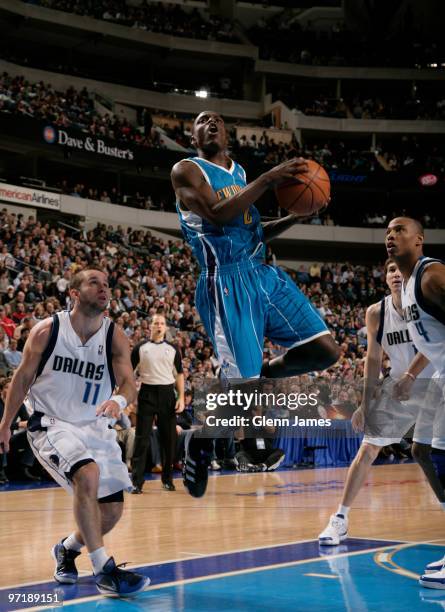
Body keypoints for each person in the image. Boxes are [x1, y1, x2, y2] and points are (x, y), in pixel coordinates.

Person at [171, 111, 339, 497]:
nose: (210, 123)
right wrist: (268, 179)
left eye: (217, 119)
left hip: (262, 273)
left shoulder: (240, 172)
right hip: (226, 283)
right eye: (201, 120)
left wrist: (298, 215)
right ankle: (200, 441)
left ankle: (262, 371)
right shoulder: (187, 170)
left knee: (325, 350)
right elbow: (216, 213)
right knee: (243, 397)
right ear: (194, 134)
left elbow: (255, 228)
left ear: (228, 132)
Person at [0, 267, 150, 597]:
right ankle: (105, 571)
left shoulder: (114, 336)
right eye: (94, 282)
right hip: (52, 423)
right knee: (88, 473)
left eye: (107, 284)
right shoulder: (46, 331)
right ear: (74, 294)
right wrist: (5, 424)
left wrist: (119, 399)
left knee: (110, 512)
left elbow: (128, 382)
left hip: (95, 426)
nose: (104, 288)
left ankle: (67, 550)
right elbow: (22, 379)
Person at [318, 258, 438, 545]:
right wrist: (365, 404)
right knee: (368, 448)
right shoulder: (377, 312)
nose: (396, 274)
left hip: (435, 383)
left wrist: (411, 375)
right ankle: (340, 519)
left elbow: (434, 346)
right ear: (384, 277)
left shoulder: (424, 305)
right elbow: (372, 359)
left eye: (400, 269)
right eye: (391, 270)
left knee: (431, 455)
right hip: (398, 388)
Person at [385, 217, 445, 589]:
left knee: (439, 456)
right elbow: (429, 339)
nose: (391, 236)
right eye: (388, 232)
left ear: (419, 240)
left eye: (400, 230)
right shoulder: (407, 288)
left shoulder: (430, 276)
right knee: (425, 449)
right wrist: (410, 375)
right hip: (440, 372)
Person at [130, 312, 184, 493]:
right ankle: (136, 482)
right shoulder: (140, 348)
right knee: (141, 439)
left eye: (162, 323)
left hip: (168, 394)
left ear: (166, 327)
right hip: (147, 393)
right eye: (156, 323)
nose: (159, 326)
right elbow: (129, 373)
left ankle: (167, 479)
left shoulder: (173, 349)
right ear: (150, 326)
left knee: (169, 440)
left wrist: (181, 397)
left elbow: (180, 375)